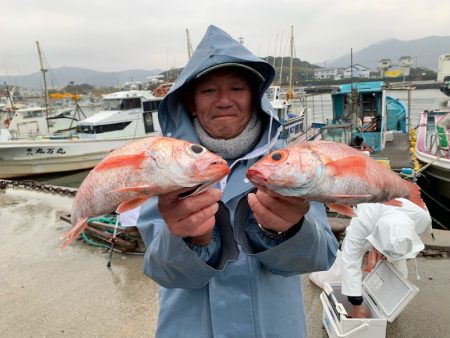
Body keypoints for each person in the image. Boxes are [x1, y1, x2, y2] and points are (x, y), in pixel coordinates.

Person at [136, 25, 338, 337]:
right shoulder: (162, 167)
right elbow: (162, 271)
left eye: (237, 88)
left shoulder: (293, 162)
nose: (224, 101)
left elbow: (319, 256)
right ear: (191, 102)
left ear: (255, 98)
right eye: (208, 91)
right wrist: (188, 241)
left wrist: (289, 231)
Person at [341, 198, 432, 318]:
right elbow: (351, 256)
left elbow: (415, 237)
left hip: (402, 230)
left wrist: (397, 254)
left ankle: (387, 304)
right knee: (348, 252)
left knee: (399, 266)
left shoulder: (422, 217)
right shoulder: (365, 217)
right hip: (371, 216)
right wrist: (356, 303)